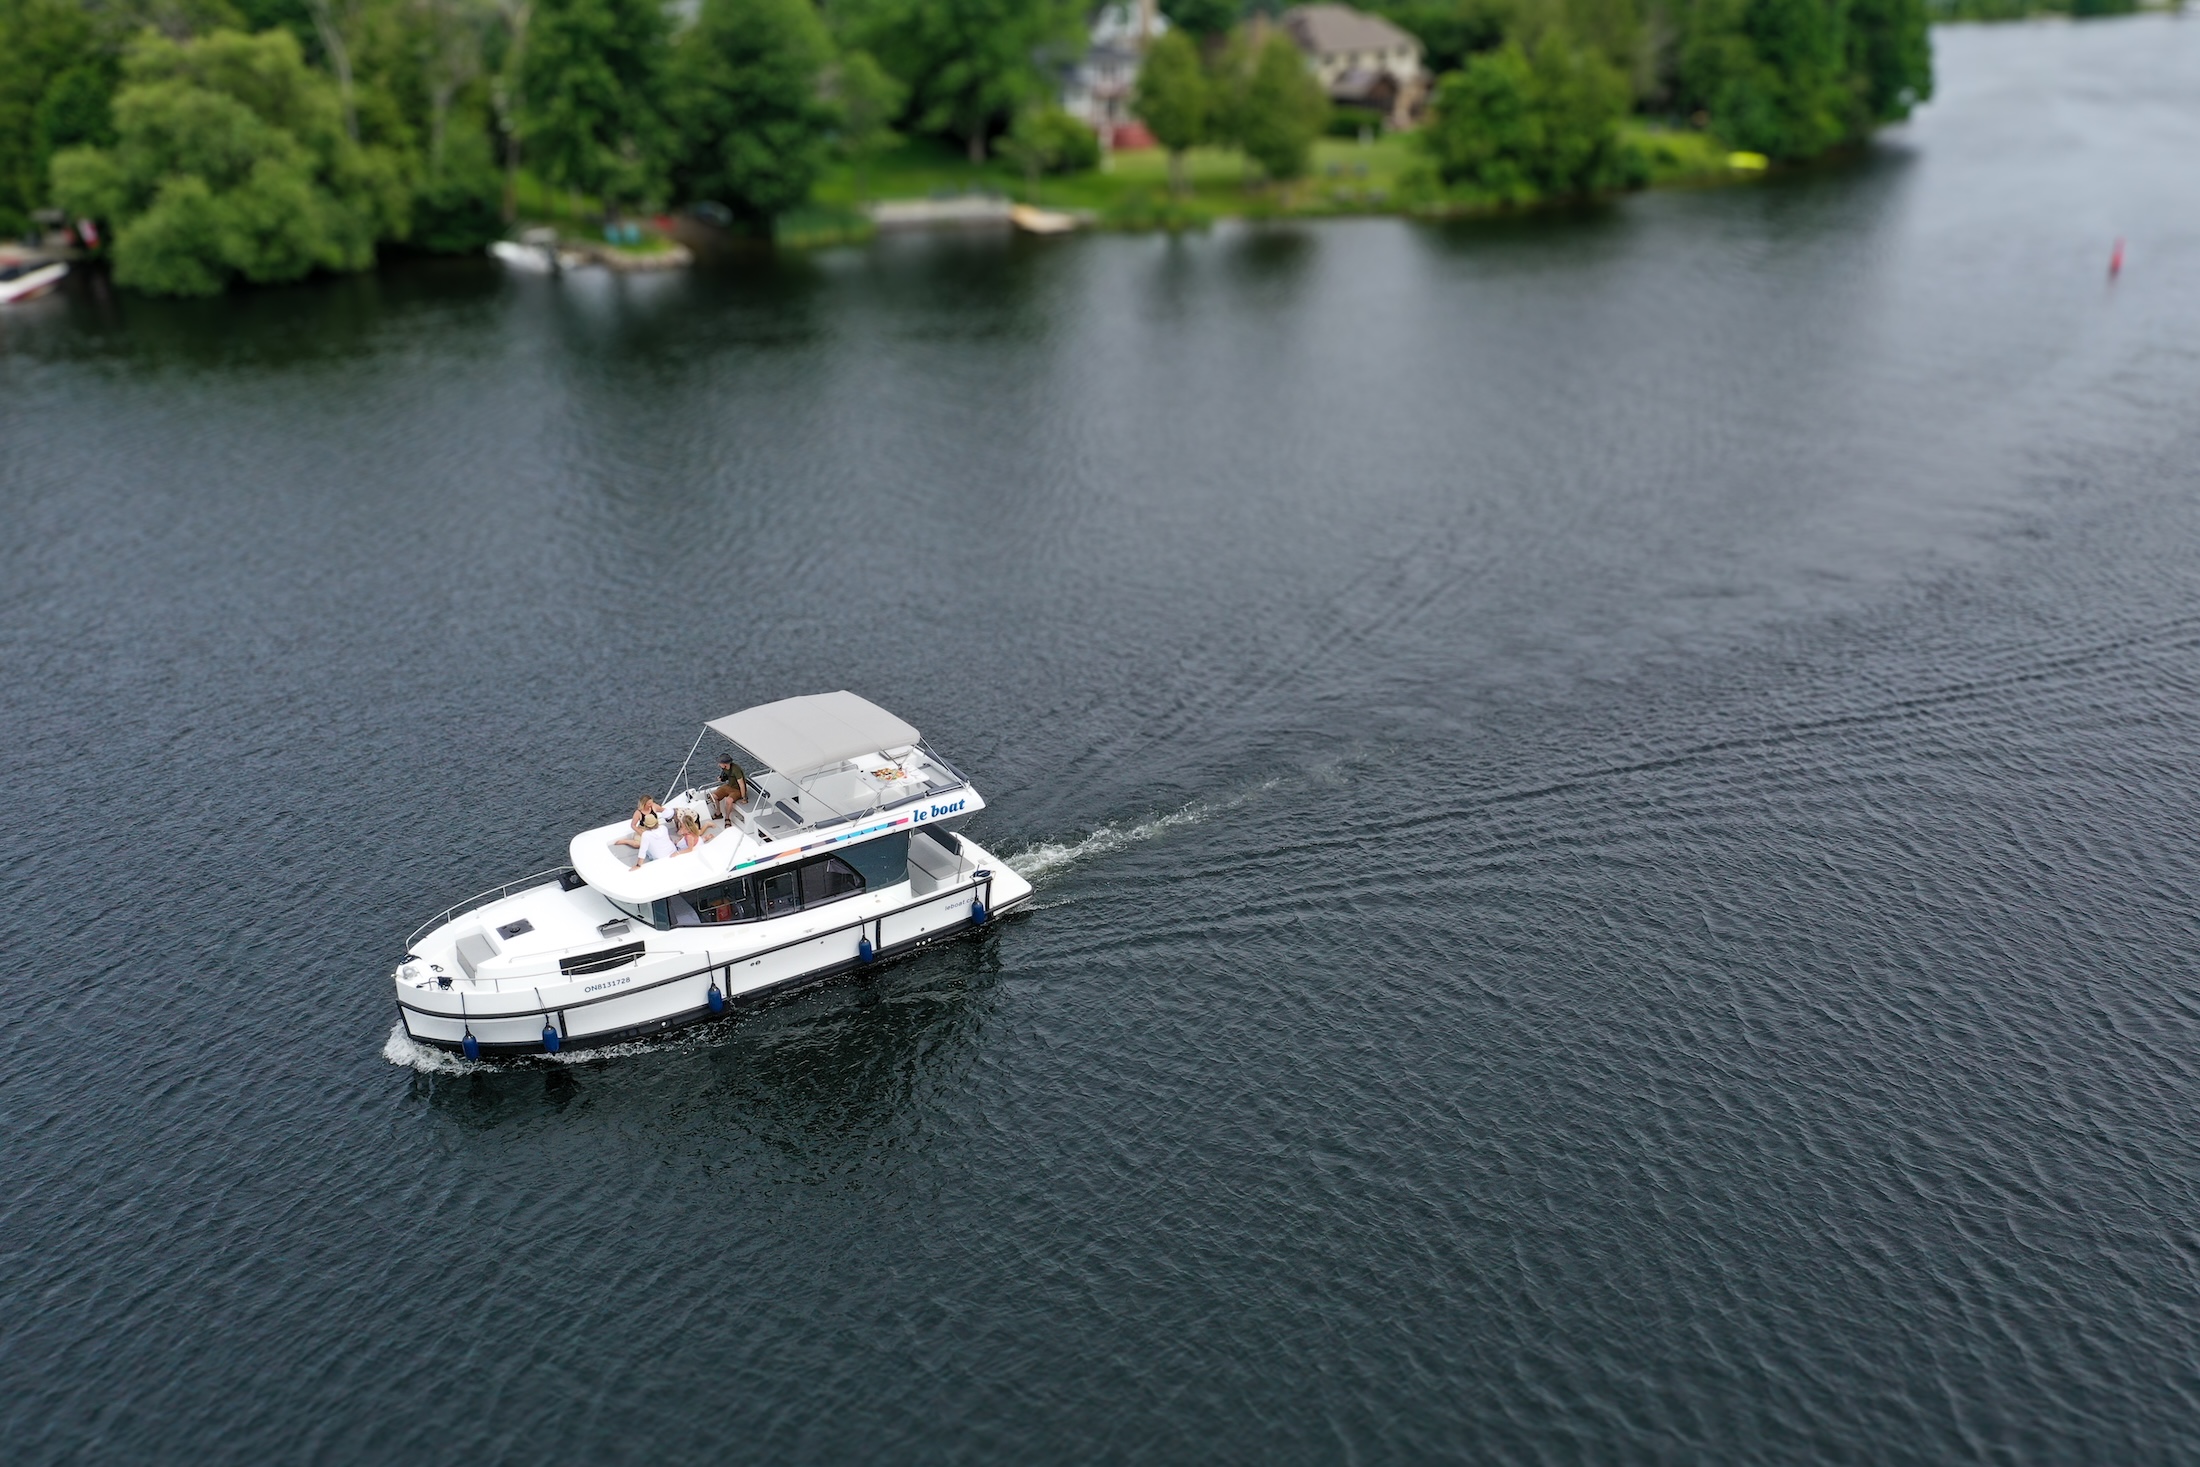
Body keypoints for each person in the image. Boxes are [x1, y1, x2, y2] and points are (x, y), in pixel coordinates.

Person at [710, 753, 749, 823]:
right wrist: (721, 779)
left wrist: (744, 798)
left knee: (729, 800)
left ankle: (727, 818)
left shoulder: (736, 770)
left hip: (737, 789)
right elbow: (726, 776)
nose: (718, 765)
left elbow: (742, 784)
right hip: (729, 786)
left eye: (720, 763)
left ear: (725, 764)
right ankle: (718, 813)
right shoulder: (725, 769)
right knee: (713, 796)